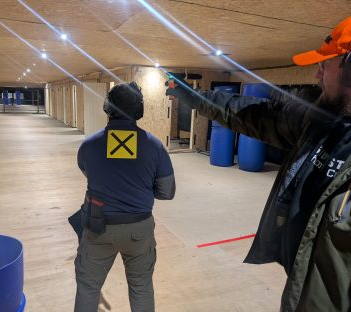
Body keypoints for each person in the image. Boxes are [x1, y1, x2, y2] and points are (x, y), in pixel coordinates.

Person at [166, 16, 351, 312]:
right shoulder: (322, 120)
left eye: (324, 65)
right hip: (304, 288)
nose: (316, 74)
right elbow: (257, 114)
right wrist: (198, 99)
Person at [74, 82, 176, 312]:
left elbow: (87, 173)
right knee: (141, 287)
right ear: (139, 111)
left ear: (107, 108)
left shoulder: (89, 145)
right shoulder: (155, 146)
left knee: (88, 287)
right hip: (139, 229)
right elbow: (167, 192)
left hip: (98, 226)